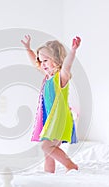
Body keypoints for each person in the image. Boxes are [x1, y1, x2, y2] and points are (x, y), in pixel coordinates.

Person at [21, 35, 81, 173]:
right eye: (41, 61)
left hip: (59, 119)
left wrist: (73, 51)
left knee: (45, 146)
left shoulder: (61, 76)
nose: (42, 64)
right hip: (51, 118)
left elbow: (67, 65)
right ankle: (49, 175)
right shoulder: (48, 76)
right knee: (48, 152)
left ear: (56, 59)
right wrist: (28, 48)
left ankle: (71, 165)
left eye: (46, 60)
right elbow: (33, 61)